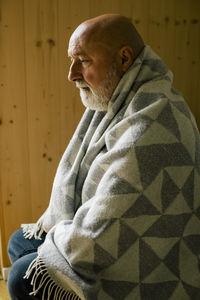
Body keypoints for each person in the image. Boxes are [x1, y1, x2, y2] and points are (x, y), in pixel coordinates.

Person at [7, 13, 200, 300]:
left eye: (83, 61)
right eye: (71, 61)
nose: (71, 74)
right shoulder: (129, 99)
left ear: (124, 58)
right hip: (112, 232)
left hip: (153, 263)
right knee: (20, 242)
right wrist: (61, 232)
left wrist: (61, 236)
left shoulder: (154, 122)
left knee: (22, 277)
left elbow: (103, 233)